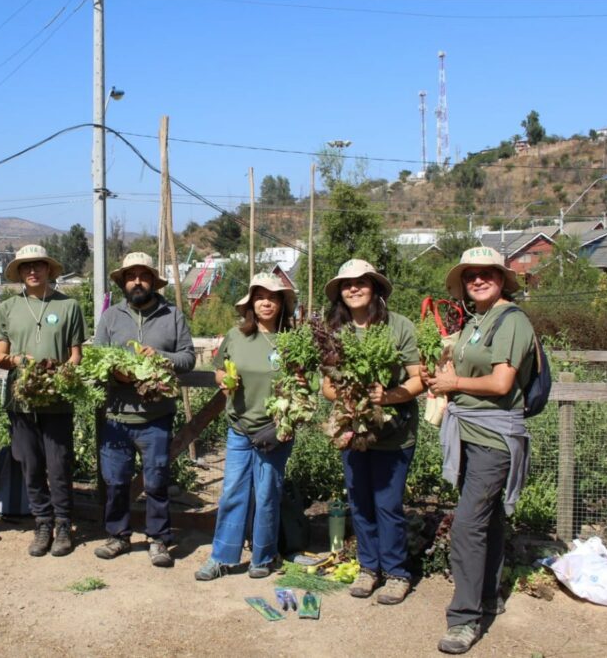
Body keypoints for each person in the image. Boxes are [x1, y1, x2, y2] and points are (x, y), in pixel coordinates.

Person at [426, 247, 535, 655]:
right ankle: (488, 596)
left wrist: (453, 386)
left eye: (487, 272)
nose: (477, 279)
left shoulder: (511, 320)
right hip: (469, 432)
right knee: (486, 522)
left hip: (494, 439)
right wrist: (440, 377)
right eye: (471, 274)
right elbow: (467, 372)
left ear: (503, 278)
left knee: (468, 526)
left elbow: (502, 383)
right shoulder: (478, 320)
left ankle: (464, 620)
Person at [320, 259, 423, 604]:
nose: (353, 288)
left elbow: (418, 378)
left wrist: (388, 396)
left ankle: (396, 572)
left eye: (361, 282)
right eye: (346, 284)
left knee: (388, 504)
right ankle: (368, 568)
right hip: (353, 431)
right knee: (360, 502)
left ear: (375, 287)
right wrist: (348, 395)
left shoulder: (399, 326)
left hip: (394, 434)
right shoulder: (336, 332)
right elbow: (326, 387)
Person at [92, 252, 195, 567]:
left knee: (156, 481)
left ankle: (159, 539)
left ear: (153, 281)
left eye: (143, 275)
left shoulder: (172, 315)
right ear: (124, 282)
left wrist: (162, 357)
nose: (137, 281)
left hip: (155, 417)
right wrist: (114, 371)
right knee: (116, 481)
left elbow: (188, 358)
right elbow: (96, 358)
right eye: (131, 276)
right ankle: (118, 536)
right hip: (116, 416)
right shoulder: (110, 317)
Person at [195, 272, 297, 581]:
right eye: (260, 296)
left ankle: (263, 557)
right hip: (239, 428)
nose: (267, 302)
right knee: (233, 493)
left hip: (275, 431)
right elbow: (217, 371)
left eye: (274, 297)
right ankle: (221, 557)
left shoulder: (293, 340)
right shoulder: (236, 335)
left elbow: (305, 385)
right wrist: (224, 380)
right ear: (251, 302)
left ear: (282, 304)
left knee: (267, 494)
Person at [0, 244, 86, 557]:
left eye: (38, 265)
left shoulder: (69, 305)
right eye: (26, 267)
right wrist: (18, 361)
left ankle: (63, 525)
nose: (33, 271)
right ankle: (42, 522)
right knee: (30, 464)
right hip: (21, 400)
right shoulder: (8, 307)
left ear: (48, 269)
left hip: (56, 398)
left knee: (58, 464)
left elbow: (76, 356)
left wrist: (58, 375)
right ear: (19, 272)